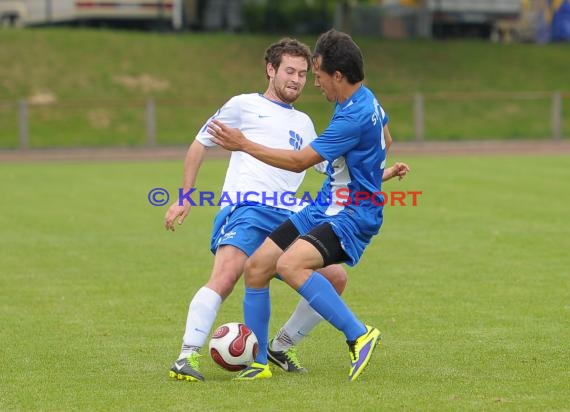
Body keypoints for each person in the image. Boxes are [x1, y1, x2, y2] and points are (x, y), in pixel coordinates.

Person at [208, 29, 408, 382]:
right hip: (325, 206)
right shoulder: (364, 100)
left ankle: (359, 334)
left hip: (350, 214)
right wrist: (372, 173)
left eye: (317, 75)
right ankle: (259, 364)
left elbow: (301, 161)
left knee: (290, 265)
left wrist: (243, 143)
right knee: (256, 267)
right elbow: (385, 139)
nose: (314, 83)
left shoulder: (351, 118)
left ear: (338, 75)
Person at [166, 37, 348, 382]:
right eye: (289, 71)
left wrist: (378, 175)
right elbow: (199, 143)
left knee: (335, 278)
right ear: (271, 70)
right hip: (246, 209)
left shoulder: (305, 123)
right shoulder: (243, 105)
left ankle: (280, 346)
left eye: (303, 74)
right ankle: (186, 356)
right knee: (226, 276)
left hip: (288, 219)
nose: (296, 80)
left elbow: (328, 170)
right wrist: (185, 196)